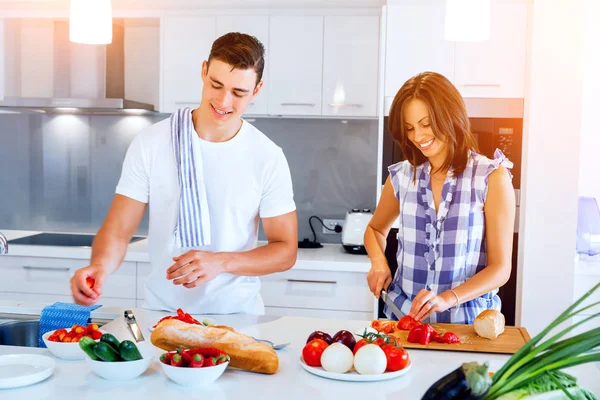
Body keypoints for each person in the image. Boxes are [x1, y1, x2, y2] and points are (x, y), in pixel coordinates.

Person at [70, 33, 298, 314]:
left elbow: (285, 250)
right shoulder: (151, 143)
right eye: (216, 85)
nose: (224, 101)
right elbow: (119, 231)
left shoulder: (267, 156)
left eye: (239, 93)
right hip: (162, 314)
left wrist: (221, 262)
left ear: (258, 89)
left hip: (237, 315)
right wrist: (99, 266)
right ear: (204, 71)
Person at [365, 72, 515, 324]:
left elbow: (500, 269)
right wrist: (378, 262)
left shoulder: (490, 176)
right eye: (410, 128)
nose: (418, 137)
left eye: (426, 124)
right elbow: (375, 229)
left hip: (468, 325)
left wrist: (448, 298)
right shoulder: (402, 176)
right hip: (405, 320)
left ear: (450, 115)